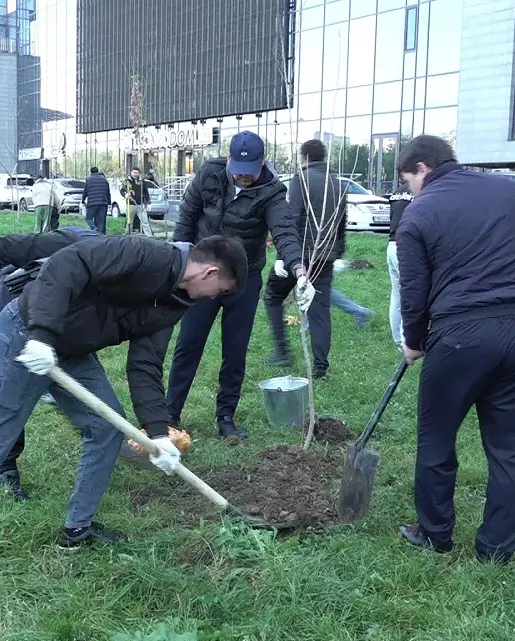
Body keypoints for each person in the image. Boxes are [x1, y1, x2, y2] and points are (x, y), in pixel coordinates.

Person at [0, 234, 250, 612]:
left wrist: (158, 435)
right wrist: (43, 337)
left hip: (72, 351)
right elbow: (67, 264)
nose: (213, 298)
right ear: (209, 272)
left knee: (106, 429)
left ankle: (77, 528)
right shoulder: (145, 254)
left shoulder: (176, 303)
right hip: (27, 333)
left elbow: (145, 366)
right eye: (218, 289)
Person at [394, 135, 515, 564]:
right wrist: (500, 248)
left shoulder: (419, 213)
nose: (410, 188)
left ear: (422, 169)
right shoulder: (506, 189)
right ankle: (496, 550)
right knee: (509, 448)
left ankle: (434, 534)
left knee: (436, 439)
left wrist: (413, 343)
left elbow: (414, 293)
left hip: (459, 335)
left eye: (408, 179)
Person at [168, 130, 308, 441]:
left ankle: (226, 417)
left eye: (251, 173)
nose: (244, 179)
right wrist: (178, 261)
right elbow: (187, 216)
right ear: (228, 159)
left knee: (235, 351)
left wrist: (298, 269)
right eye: (239, 173)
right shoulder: (209, 174)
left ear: (263, 164)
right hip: (202, 276)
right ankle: (170, 414)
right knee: (188, 343)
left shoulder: (271, 191)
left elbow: (284, 230)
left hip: (243, 280)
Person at [0, 227, 105, 500]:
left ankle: (95, 438)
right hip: (17, 295)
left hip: (65, 314)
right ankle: (6, 465)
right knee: (10, 398)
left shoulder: (115, 272)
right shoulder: (64, 247)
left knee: (76, 371)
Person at [263, 139, 347, 378]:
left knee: (273, 297)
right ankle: (321, 367)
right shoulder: (339, 184)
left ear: (304, 157)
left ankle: (282, 352)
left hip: (298, 256)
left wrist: (282, 256)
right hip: (325, 256)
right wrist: (336, 253)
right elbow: (342, 224)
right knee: (320, 310)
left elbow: (294, 218)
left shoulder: (301, 180)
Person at [388, 187, 413, 347]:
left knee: (396, 294)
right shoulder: (418, 192)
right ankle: (407, 340)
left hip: (391, 245)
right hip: (406, 246)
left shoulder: (397, 193)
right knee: (410, 295)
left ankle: (397, 337)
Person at [121, 167, 151, 235]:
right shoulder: (127, 181)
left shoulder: (141, 182)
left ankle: (149, 236)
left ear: (139, 173)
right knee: (129, 222)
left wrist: (148, 203)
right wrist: (125, 195)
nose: (135, 174)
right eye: (134, 172)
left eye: (137, 173)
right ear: (131, 173)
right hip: (131, 205)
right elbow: (122, 190)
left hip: (141, 205)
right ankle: (127, 235)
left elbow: (146, 192)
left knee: (145, 221)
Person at [83, 166, 110, 233]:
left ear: (91, 172)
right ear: (98, 171)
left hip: (92, 203)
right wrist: (109, 202)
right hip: (103, 203)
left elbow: (85, 192)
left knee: (88, 218)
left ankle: (94, 229)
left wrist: (83, 200)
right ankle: (101, 235)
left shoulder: (88, 180)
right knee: (101, 221)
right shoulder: (104, 180)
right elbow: (108, 192)